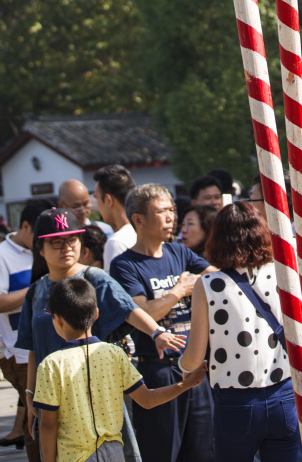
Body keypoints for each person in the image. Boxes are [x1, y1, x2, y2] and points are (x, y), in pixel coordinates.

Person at [17, 208, 184, 455]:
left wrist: (156, 332)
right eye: (56, 242)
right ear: (40, 249)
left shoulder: (93, 277)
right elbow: (34, 348)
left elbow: (128, 308)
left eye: (72, 240)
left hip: (96, 395)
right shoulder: (35, 292)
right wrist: (30, 394)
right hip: (53, 392)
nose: (66, 248)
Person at [180, 202, 302, 462]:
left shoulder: (208, 284)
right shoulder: (285, 273)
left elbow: (194, 356)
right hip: (284, 395)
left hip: (235, 403)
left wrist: (183, 365)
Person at [34, 276, 204, 462]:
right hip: (114, 453)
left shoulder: (51, 365)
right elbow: (147, 399)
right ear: (96, 314)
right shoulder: (114, 354)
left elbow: (48, 425)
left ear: (57, 319)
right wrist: (186, 384)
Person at [110, 185, 214, 462]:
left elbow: (217, 280)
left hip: (197, 370)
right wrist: (178, 292)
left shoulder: (180, 253)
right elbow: (142, 312)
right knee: (162, 453)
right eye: (161, 211)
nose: (171, 217)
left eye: (172, 210)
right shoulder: (125, 265)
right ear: (139, 219)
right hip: (158, 372)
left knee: (205, 453)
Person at [0, 197, 52, 457]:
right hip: (22, 353)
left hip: (56, 346)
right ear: (25, 226)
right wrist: (37, 289)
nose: (44, 240)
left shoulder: (48, 248)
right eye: (40, 234)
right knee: (36, 422)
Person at [94, 165, 138, 273]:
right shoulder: (149, 231)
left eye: (97, 198)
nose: (97, 205)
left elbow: (114, 289)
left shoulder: (117, 242)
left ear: (108, 200)